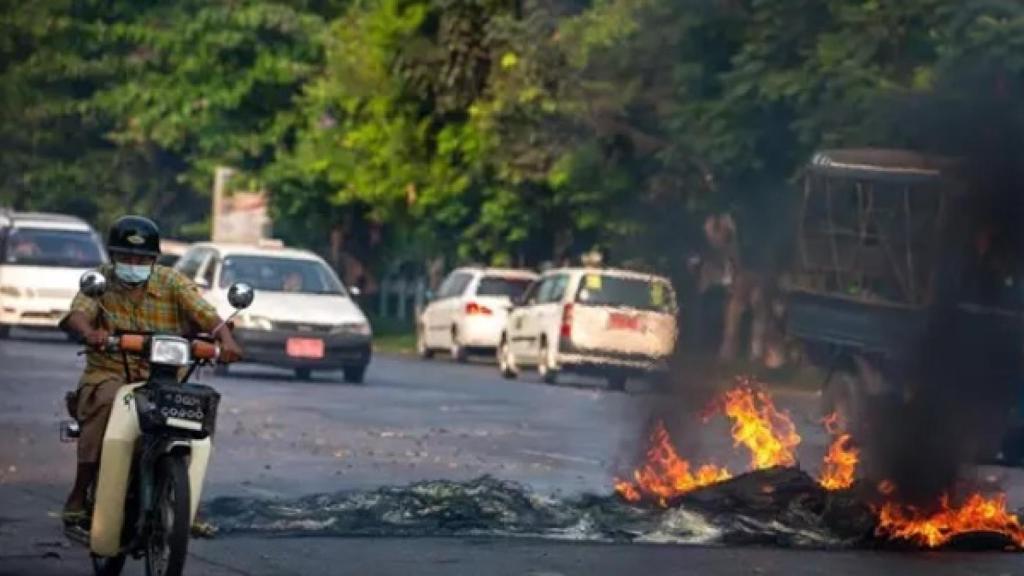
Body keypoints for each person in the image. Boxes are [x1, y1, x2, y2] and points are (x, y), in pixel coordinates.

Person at [59, 215, 244, 528]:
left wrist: (226, 341)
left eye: (142, 258)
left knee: (193, 414)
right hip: (111, 370)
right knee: (105, 403)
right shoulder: (100, 281)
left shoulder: (172, 281)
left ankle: (187, 501)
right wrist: (91, 333)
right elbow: (78, 314)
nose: (134, 263)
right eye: (126, 257)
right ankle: (79, 493)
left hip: (166, 373)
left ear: (154, 259)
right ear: (113, 256)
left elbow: (205, 313)